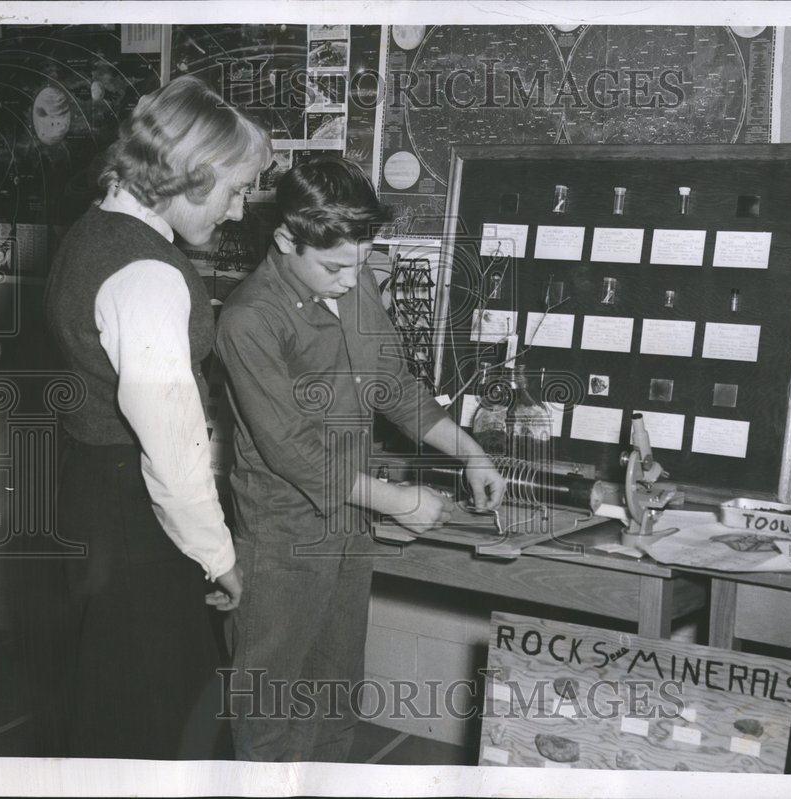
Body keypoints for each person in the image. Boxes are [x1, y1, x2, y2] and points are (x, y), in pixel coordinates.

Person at [215, 156, 506, 762]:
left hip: (349, 520)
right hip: (282, 532)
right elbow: (293, 452)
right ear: (286, 240)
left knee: (335, 689)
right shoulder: (248, 319)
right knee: (269, 702)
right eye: (334, 266)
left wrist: (471, 452)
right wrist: (399, 501)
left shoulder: (354, 279)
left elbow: (392, 385)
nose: (351, 280)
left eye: (361, 261)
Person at [44, 75, 271, 759]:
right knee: (157, 723)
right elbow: (171, 452)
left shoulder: (92, 231)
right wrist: (220, 557)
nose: (236, 212)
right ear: (191, 174)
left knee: (104, 707)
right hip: (134, 518)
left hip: (89, 497)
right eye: (234, 190)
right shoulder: (148, 273)